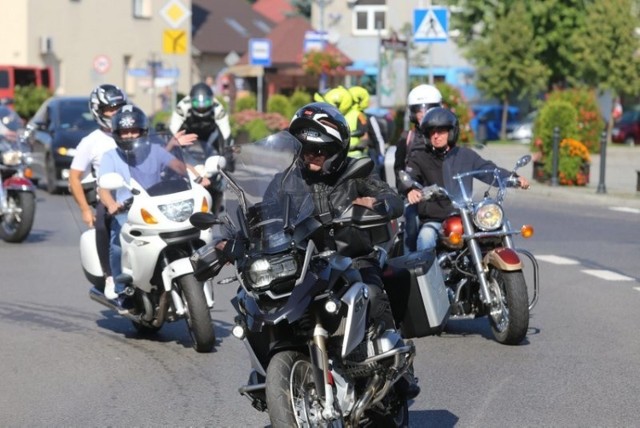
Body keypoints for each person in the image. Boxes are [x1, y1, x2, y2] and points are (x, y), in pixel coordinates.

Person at [252, 102, 419, 399]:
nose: (310, 157)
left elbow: (388, 195)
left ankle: (398, 368)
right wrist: (234, 237)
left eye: (318, 151)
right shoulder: (286, 180)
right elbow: (261, 215)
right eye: (304, 150)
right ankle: (271, 372)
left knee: (372, 290)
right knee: (259, 300)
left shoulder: (356, 173)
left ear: (336, 150)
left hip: (351, 255)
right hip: (302, 261)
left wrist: (385, 204)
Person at [99, 104, 207, 306]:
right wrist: (112, 204)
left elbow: (177, 166)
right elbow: (103, 189)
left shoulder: (155, 150)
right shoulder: (110, 156)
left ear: (143, 131)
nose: (130, 135)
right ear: (116, 133)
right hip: (128, 210)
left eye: (134, 130)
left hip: (157, 206)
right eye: (125, 131)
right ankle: (120, 285)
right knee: (117, 239)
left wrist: (196, 175)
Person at [405, 107, 530, 259]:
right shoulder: (420, 157)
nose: (436, 136)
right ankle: (426, 281)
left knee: (494, 230)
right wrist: (411, 189)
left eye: (441, 131)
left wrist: (514, 178)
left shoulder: (465, 155)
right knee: (425, 238)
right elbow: (410, 176)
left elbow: (489, 170)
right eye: (432, 132)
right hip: (435, 219)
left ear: (451, 132)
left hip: (464, 216)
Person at [69, 84, 127, 299]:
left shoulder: (132, 132)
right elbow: (74, 178)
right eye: (109, 109)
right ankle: (110, 275)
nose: (114, 113)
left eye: (118, 107)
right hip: (108, 194)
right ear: (98, 111)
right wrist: (85, 209)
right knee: (103, 222)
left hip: (138, 192)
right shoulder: (90, 142)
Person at [394, 84, 443, 253]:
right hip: (417, 195)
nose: (424, 114)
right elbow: (399, 169)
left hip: (444, 194)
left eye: (429, 109)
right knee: (411, 222)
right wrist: (409, 190)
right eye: (419, 110)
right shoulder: (407, 138)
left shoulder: (446, 136)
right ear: (413, 113)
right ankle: (412, 267)